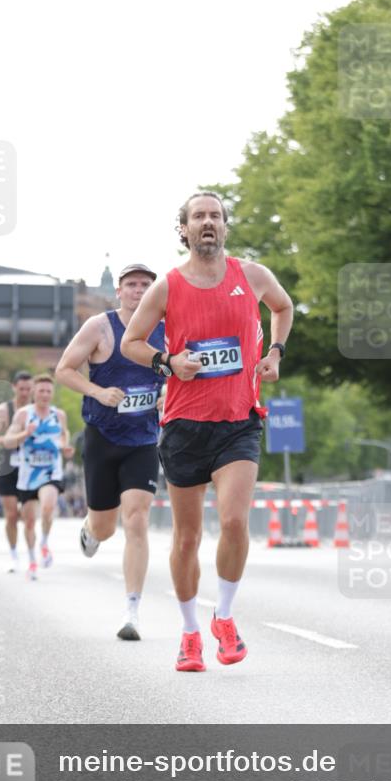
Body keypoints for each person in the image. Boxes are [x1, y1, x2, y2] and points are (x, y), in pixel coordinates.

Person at [121, 192, 293, 672]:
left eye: (215, 215)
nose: (208, 222)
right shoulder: (168, 287)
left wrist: (275, 353)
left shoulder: (251, 276)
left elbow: (283, 307)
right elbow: (131, 342)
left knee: (236, 522)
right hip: (183, 425)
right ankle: (190, 631)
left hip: (239, 420)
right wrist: (168, 361)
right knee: (186, 538)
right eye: (199, 216)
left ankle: (225, 616)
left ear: (225, 226)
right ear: (185, 230)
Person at [56, 263, 166, 641]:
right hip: (103, 437)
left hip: (144, 439)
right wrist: (98, 392)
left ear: (155, 292)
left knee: (136, 520)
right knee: (105, 524)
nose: (138, 290)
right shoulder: (100, 327)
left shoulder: (169, 328)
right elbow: (64, 369)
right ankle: (91, 529)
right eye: (131, 285)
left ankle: (132, 610)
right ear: (118, 291)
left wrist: (171, 391)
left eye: (146, 285)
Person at [3, 373, 73, 580]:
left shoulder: (59, 415)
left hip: (51, 472)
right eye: (41, 390)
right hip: (27, 476)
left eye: (48, 391)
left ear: (52, 394)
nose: (45, 395)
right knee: (29, 522)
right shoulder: (23, 415)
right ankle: (32, 560)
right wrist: (25, 433)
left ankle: (44, 543)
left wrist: (65, 447)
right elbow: (8, 441)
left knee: (48, 506)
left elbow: (64, 435)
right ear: (34, 392)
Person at [0, 371, 33, 571]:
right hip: (7, 466)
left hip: (31, 466)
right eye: (21, 389)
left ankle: (32, 557)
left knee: (29, 516)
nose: (24, 393)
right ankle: (14, 554)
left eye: (28, 389)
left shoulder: (39, 410)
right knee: (12, 515)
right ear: (14, 387)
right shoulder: (4, 410)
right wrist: (13, 438)